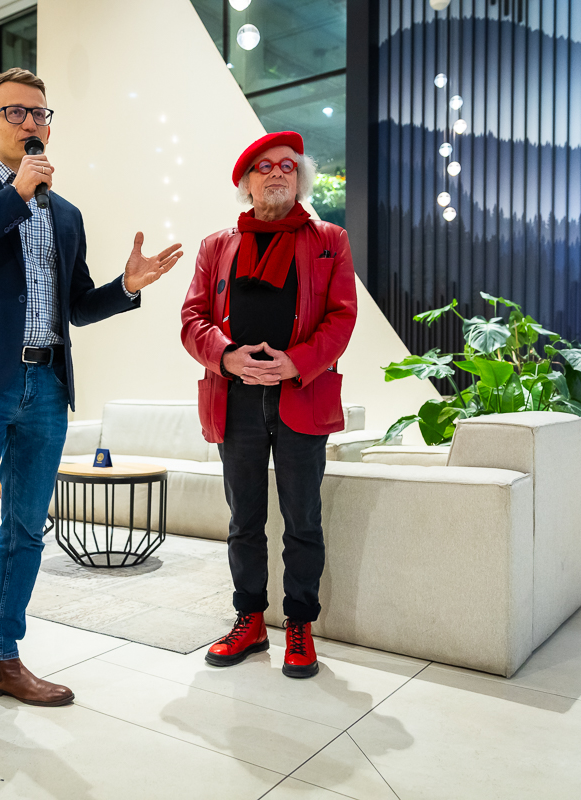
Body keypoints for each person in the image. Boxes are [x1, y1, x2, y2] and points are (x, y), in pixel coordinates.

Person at [0, 67, 182, 765]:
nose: (32, 123)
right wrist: (15, 195)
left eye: (41, 113)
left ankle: (1, 658)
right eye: (17, 112)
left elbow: (78, 306)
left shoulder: (66, 214)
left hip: (46, 384)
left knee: (27, 532)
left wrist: (126, 286)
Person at [181, 131, 357, 679]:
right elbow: (192, 319)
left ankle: (299, 624)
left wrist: (296, 362)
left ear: (299, 179)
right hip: (234, 399)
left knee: (303, 519)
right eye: (264, 166)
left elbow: (342, 317)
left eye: (287, 165)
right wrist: (226, 356)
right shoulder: (217, 246)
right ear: (247, 183)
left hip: (301, 396)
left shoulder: (330, 240)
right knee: (244, 521)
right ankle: (251, 620)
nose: (277, 173)